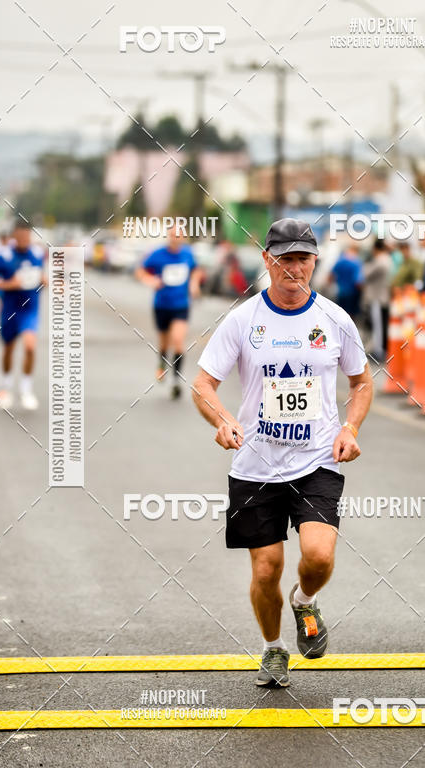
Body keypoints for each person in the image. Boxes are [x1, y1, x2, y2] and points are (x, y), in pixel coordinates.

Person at [192, 218, 373, 688]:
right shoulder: (243, 319)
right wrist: (222, 420)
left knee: (318, 556)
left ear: (315, 262)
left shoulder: (335, 318)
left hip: (317, 460)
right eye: (285, 258)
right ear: (267, 260)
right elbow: (203, 384)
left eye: (303, 259)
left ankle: (304, 601)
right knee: (266, 567)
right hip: (255, 466)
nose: (294, 268)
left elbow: (361, 382)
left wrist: (350, 427)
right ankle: (273, 649)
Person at [135, 226, 203, 399]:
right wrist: (150, 280)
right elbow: (140, 271)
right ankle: (162, 363)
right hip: (162, 305)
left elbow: (195, 270)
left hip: (181, 305)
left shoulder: (187, 254)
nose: (175, 238)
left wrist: (194, 284)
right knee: (164, 343)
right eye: (173, 235)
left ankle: (176, 380)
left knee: (178, 341)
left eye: (179, 235)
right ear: (168, 236)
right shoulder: (158, 254)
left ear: (184, 237)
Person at [0, 218, 47, 410]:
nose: (23, 240)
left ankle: (26, 390)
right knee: (9, 348)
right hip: (10, 310)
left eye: (27, 236)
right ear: (14, 236)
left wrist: (44, 281)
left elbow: (41, 277)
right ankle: (6, 388)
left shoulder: (37, 254)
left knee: (30, 346)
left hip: (29, 309)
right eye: (20, 236)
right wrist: (8, 284)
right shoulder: (3, 256)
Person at [363, 239, 393, 360]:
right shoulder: (387, 259)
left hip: (378, 297)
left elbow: (365, 273)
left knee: (378, 326)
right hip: (382, 297)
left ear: (375, 248)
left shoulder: (381, 261)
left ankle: (379, 351)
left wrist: (367, 264)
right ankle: (379, 350)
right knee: (381, 325)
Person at [329, 243, 363, 319]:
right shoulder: (356, 262)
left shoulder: (340, 260)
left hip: (340, 291)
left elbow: (331, 275)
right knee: (350, 315)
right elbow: (357, 281)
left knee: (340, 312)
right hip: (352, 293)